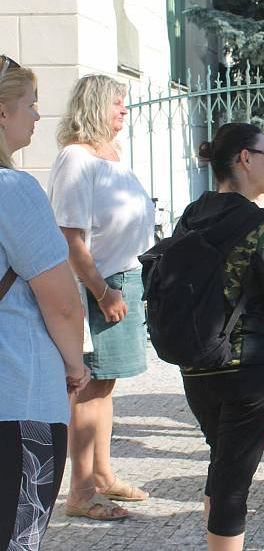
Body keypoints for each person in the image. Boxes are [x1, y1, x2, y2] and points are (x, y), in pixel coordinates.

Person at [179, 123, 264, 551]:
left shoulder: (192, 214)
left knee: (221, 462)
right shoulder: (260, 224)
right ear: (245, 158)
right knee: (233, 483)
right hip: (248, 368)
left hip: (197, 363)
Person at [48, 75, 154, 520]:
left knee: (105, 385)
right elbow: (70, 239)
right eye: (117, 103)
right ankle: (80, 491)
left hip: (122, 281)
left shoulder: (107, 155)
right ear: (94, 106)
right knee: (89, 388)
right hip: (100, 287)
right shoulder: (76, 158)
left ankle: (103, 475)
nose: (124, 110)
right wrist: (103, 290)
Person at [0, 55, 90, 549]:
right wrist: (75, 367)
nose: (37, 116)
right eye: (30, 105)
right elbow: (61, 303)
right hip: (17, 394)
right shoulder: (13, 191)